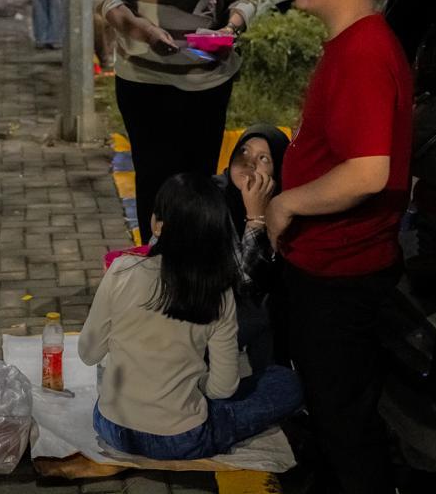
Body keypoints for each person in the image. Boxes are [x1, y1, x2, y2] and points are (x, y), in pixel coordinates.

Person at [264, 0, 413, 494]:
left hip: (342, 272)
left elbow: (367, 172)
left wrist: (286, 204)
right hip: (322, 264)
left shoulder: (364, 53)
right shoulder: (350, 45)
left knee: (345, 421)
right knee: (329, 413)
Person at [79, 173, 303, 460]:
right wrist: (195, 386)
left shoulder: (121, 270)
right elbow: (222, 389)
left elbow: (88, 353)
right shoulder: (219, 290)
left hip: (112, 427)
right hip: (181, 439)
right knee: (286, 382)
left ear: (157, 224)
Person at [93, 0, 261, 241]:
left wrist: (230, 28)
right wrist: (141, 29)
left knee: (199, 183)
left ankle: (194, 263)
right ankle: (155, 262)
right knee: (154, 180)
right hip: (144, 82)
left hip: (207, 83)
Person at [216, 124, 289, 371]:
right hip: (205, 316)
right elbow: (245, 284)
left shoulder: (284, 205)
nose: (250, 163)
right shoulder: (212, 197)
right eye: (244, 152)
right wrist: (256, 218)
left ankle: (272, 377)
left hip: (239, 315)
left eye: (264, 158)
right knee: (265, 312)